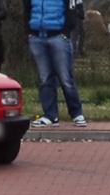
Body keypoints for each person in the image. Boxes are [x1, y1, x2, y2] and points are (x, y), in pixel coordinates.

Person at [23, 0, 86, 128]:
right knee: (45, 78)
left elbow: (73, 8)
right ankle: (50, 115)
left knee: (65, 78)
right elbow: (27, 8)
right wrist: (29, 31)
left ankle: (77, 113)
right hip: (37, 37)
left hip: (58, 37)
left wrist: (66, 32)